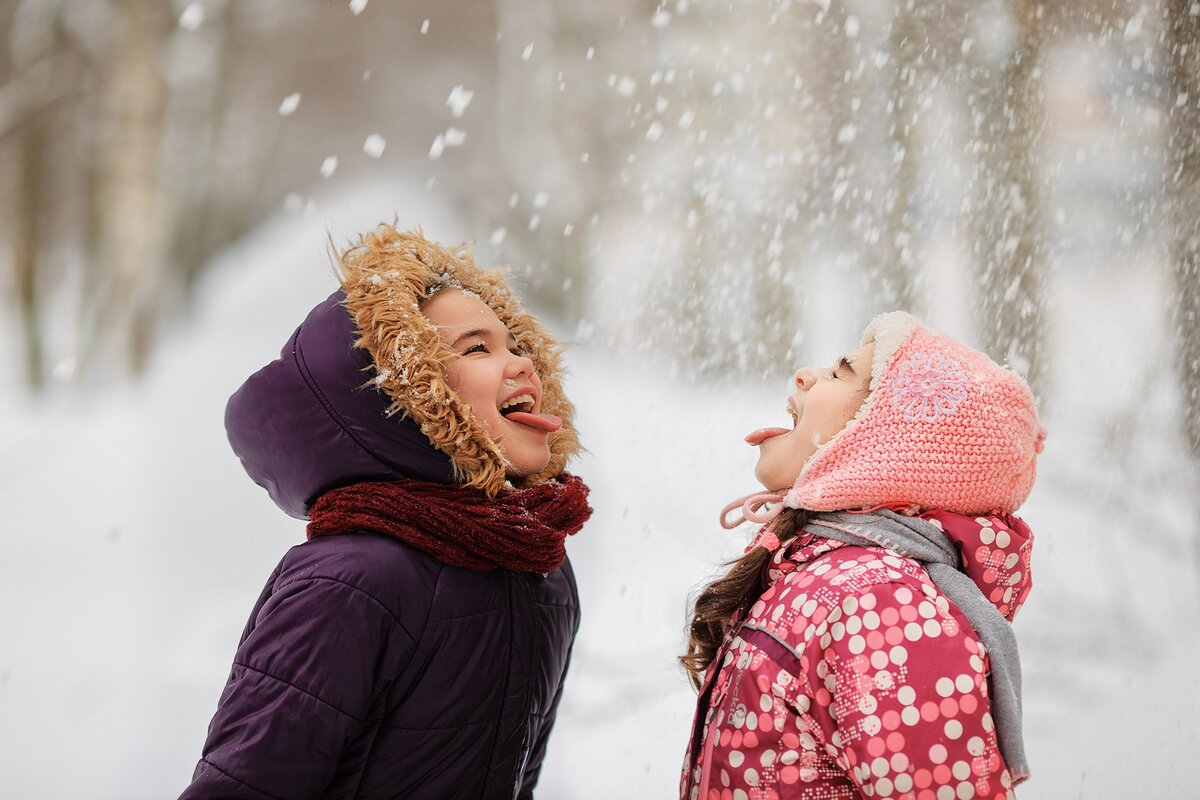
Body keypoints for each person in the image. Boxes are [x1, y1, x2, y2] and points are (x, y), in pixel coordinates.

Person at [179, 225, 591, 800]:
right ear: (407, 395)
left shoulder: (539, 569)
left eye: (515, 344)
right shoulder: (352, 582)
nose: (524, 366)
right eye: (477, 347)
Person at [680, 311, 1044, 800]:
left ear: (881, 446)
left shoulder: (878, 604)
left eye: (839, 373)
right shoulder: (820, 574)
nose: (805, 374)